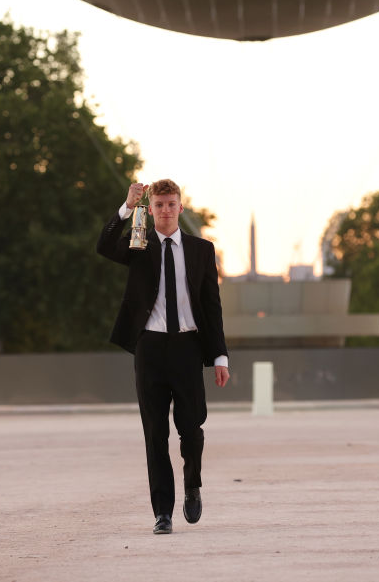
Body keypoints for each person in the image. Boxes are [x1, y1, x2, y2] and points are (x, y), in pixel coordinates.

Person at [96, 179, 230, 535]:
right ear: (150, 209)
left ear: (180, 208)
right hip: (150, 348)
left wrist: (219, 356)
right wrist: (126, 206)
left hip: (188, 349)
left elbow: (211, 308)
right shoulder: (138, 243)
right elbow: (104, 244)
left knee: (192, 429)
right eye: (159, 205)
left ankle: (193, 484)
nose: (165, 211)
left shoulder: (202, 250)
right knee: (155, 433)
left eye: (171, 204)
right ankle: (162, 513)